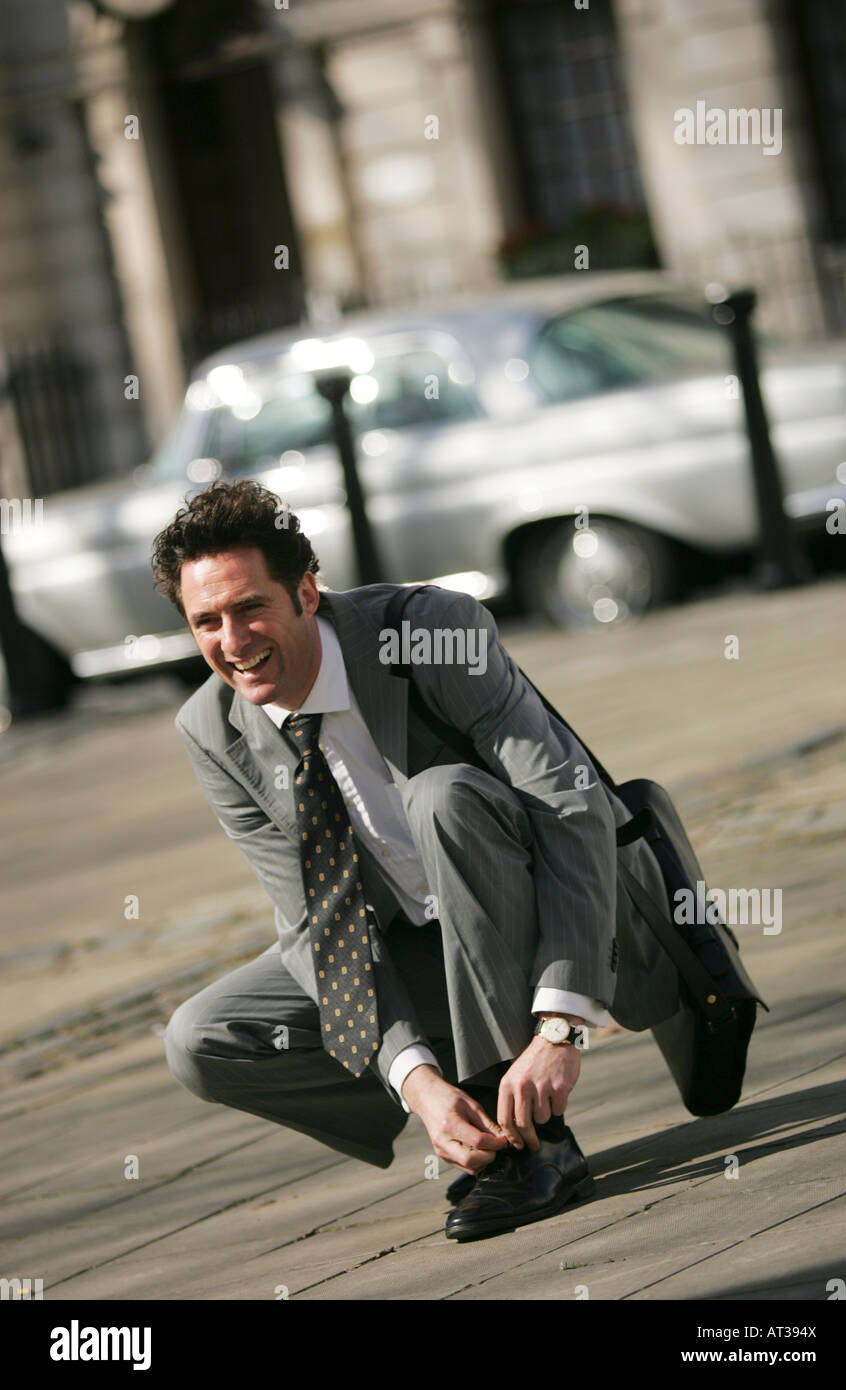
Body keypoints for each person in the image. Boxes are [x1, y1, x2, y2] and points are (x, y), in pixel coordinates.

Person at [154, 480, 679, 1242]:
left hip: (565, 921)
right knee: (203, 1037)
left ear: (307, 592)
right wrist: (416, 1079)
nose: (231, 641)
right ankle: (476, 1115)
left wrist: (563, 1025)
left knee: (442, 798)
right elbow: (317, 924)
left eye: (250, 608)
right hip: (423, 950)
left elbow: (569, 806)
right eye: (206, 621)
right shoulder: (212, 730)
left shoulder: (432, 630)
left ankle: (537, 1146)